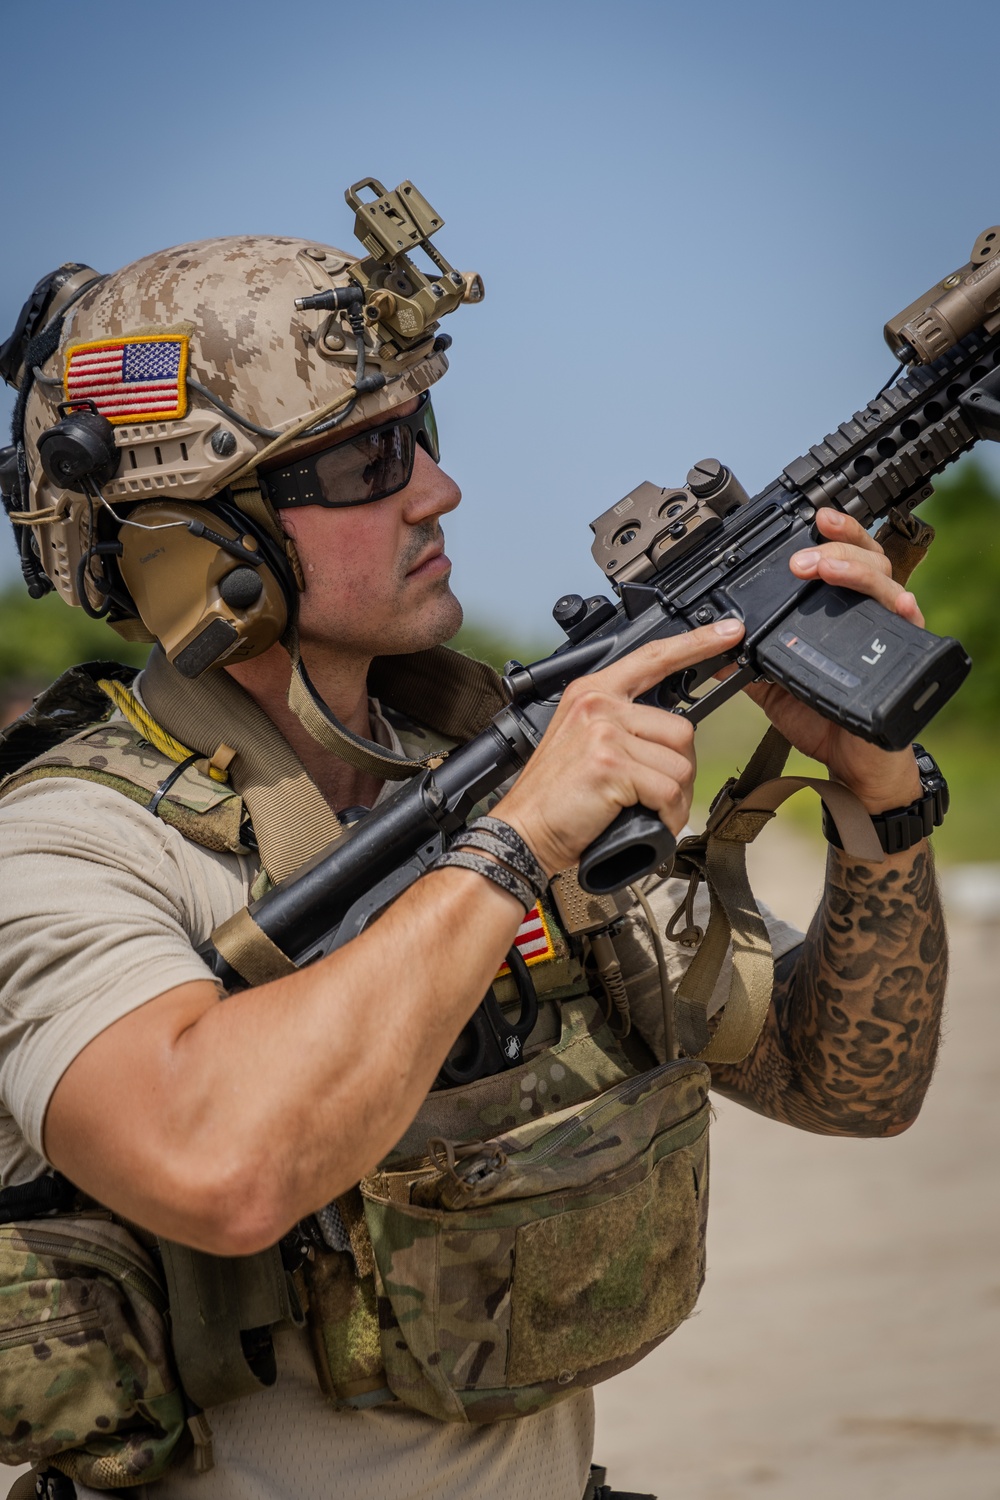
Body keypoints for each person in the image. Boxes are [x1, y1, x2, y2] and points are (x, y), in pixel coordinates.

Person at [0, 202, 947, 1500]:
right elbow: (219, 1172)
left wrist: (875, 797)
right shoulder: (71, 844)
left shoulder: (482, 756)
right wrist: (511, 847)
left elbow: (846, 1084)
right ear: (198, 541)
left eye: (421, 436)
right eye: (362, 462)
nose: (436, 490)